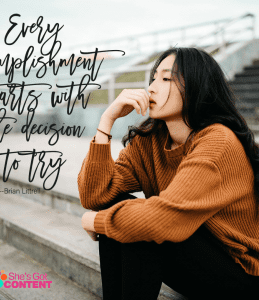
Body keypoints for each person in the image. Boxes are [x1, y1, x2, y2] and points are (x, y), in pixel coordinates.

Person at [77, 47, 259, 300]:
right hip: (192, 260)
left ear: (196, 86)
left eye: (166, 79)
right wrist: (106, 121)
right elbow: (95, 195)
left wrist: (95, 222)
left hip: (239, 274)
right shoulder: (150, 140)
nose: (151, 87)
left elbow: (164, 218)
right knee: (124, 212)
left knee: (143, 224)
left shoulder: (218, 141)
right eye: (153, 78)